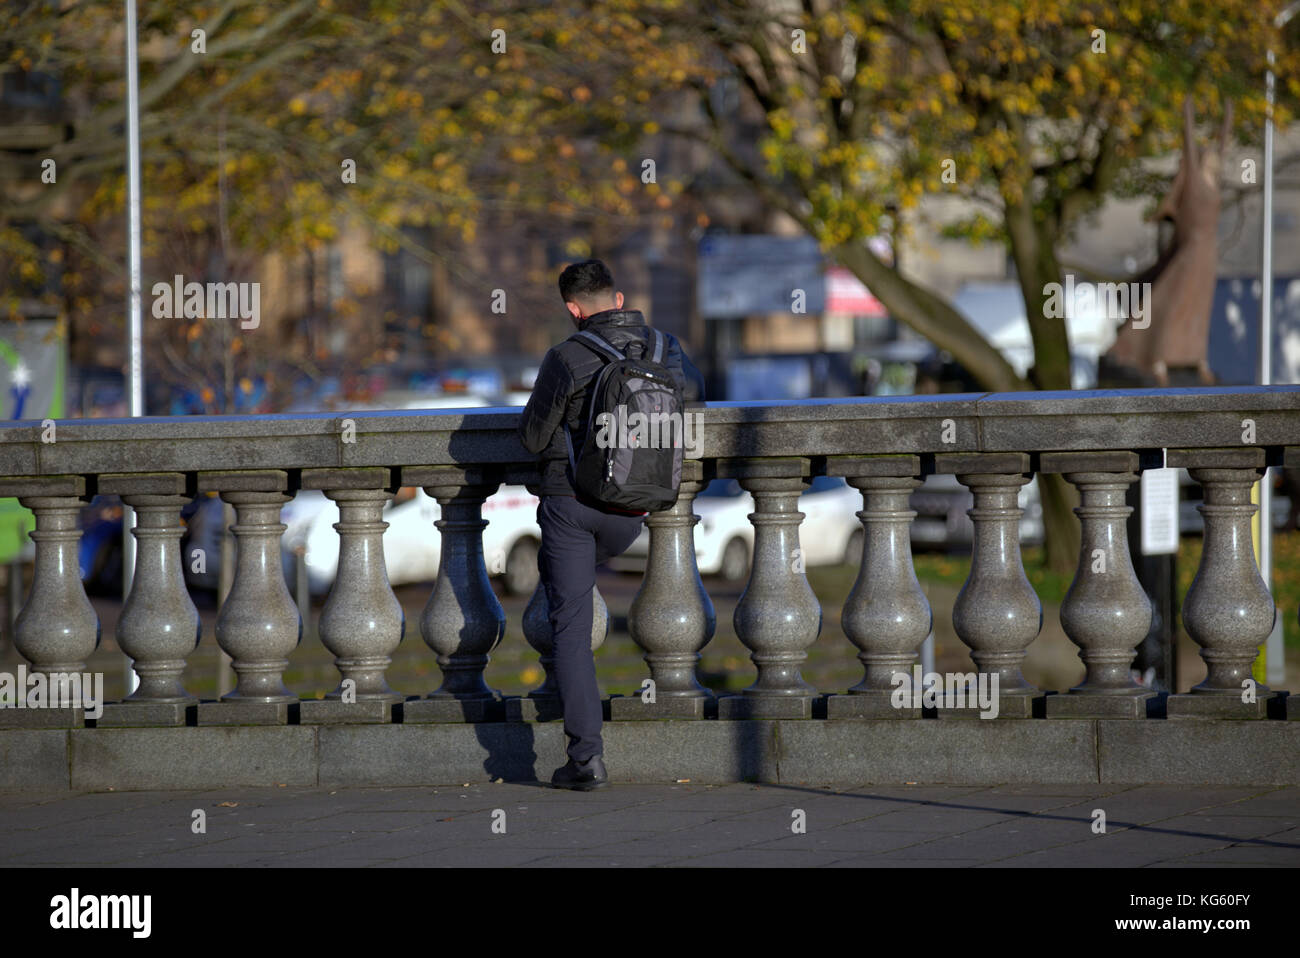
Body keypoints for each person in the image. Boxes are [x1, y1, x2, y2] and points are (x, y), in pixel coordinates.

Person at [517, 259, 705, 790]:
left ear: (573, 310)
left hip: (572, 507)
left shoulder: (566, 355)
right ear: (618, 299)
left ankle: (586, 761)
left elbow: (532, 438)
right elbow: (694, 412)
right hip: (634, 510)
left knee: (571, 632)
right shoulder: (669, 350)